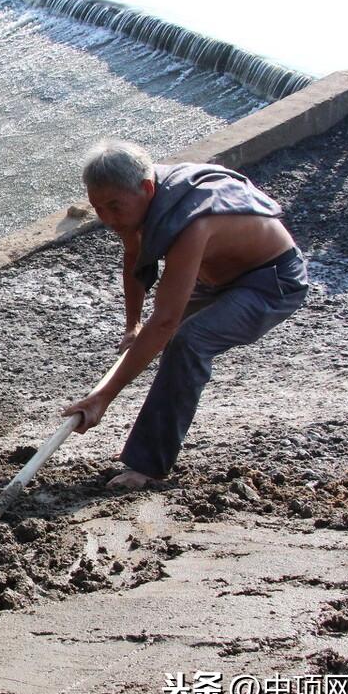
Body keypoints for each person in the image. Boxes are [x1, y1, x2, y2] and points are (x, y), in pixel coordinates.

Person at [61, 140, 308, 489]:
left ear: (146, 188)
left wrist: (104, 398)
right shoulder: (140, 198)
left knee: (187, 342)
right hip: (213, 278)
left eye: (114, 207)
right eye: (98, 208)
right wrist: (133, 326)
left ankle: (148, 465)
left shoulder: (191, 220)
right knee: (151, 338)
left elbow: (164, 322)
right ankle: (145, 447)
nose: (107, 219)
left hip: (271, 280)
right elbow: (134, 257)